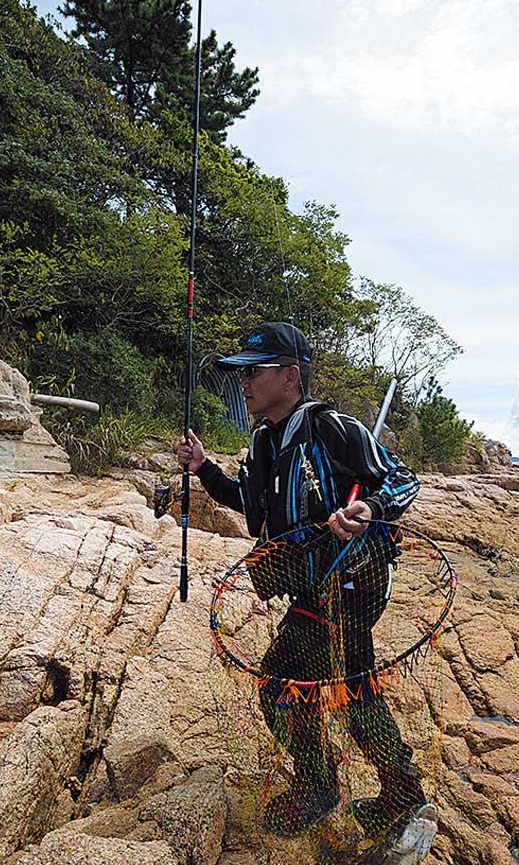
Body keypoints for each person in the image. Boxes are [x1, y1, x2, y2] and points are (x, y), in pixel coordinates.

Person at [178, 321, 424, 837]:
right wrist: (203, 468)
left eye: (253, 372)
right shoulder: (264, 441)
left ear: (290, 377)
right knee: (348, 687)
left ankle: (326, 787)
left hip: (353, 581)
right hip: (313, 585)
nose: (242, 383)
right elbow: (248, 503)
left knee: (285, 686)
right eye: (241, 374)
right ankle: (395, 790)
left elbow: (403, 479)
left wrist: (368, 507)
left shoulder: (333, 428)